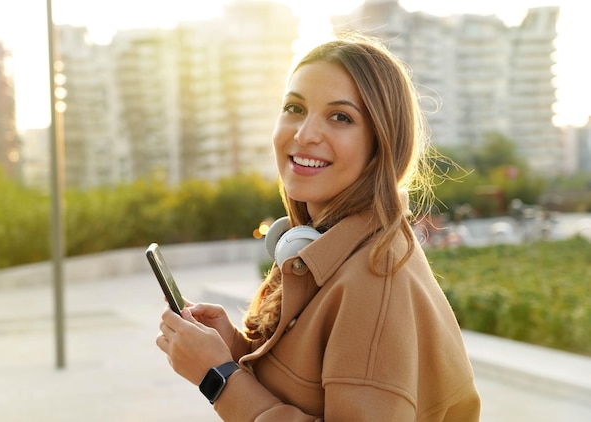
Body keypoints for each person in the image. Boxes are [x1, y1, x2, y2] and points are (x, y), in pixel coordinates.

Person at [156, 34, 481, 421]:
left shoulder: (374, 282)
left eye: (340, 117)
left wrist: (219, 377)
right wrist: (233, 348)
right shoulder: (326, 249)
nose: (305, 134)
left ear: (381, 144)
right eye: (294, 108)